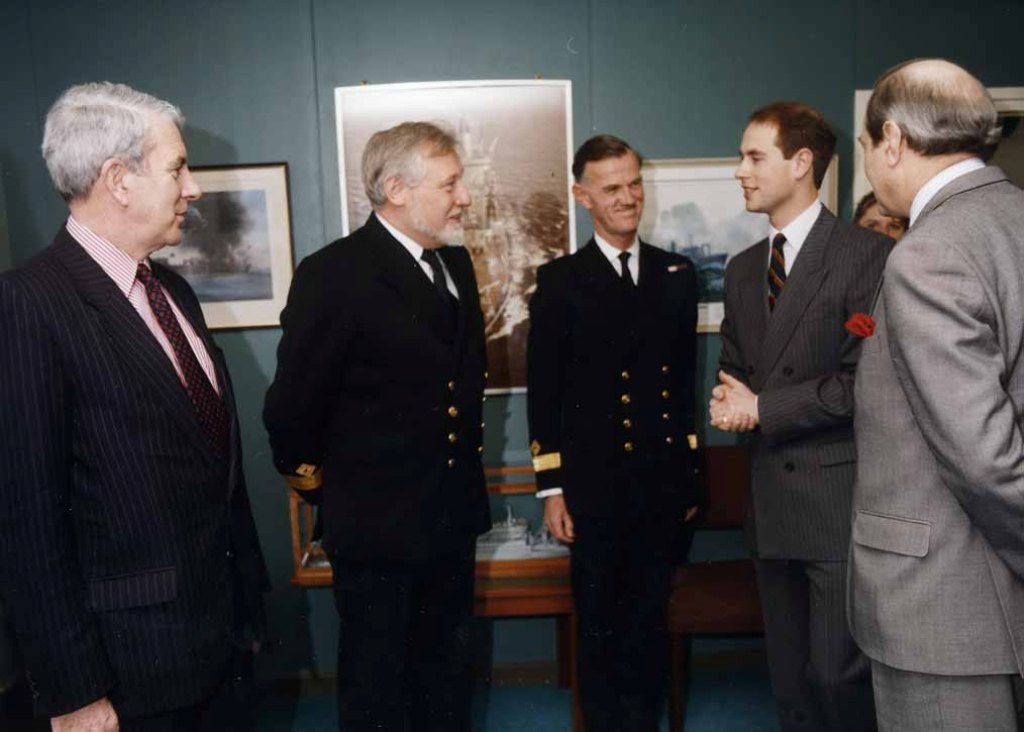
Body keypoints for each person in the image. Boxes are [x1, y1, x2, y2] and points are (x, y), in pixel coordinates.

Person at [0, 82, 268, 731]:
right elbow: (27, 522)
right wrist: (74, 694)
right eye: (178, 168)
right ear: (119, 179)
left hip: (220, 647)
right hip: (126, 680)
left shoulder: (172, 288)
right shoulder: (28, 304)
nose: (194, 187)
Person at [263, 121, 489, 731]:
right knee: (379, 691)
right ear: (396, 188)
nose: (463, 197)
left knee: (447, 680)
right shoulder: (335, 274)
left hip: (449, 519)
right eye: (450, 184)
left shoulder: (455, 265)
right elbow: (289, 408)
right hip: (376, 528)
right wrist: (325, 490)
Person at [850, 58, 1024, 731]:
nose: (869, 161)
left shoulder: (930, 251)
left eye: (865, 146)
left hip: (946, 613)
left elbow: (984, 459)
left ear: (892, 139)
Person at [711, 102, 892, 731]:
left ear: (802, 162)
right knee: (789, 688)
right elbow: (733, 371)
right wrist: (728, 403)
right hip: (770, 508)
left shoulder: (866, 256)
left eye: (754, 156)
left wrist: (760, 408)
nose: (740, 170)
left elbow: (864, 383)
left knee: (838, 682)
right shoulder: (740, 273)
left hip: (837, 505)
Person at [527, 134, 700, 731]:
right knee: (599, 631)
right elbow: (544, 395)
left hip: (659, 487)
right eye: (611, 188)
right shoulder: (558, 282)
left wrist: (689, 478)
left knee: (649, 628)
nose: (628, 198)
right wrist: (552, 490)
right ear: (583, 197)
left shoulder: (677, 275)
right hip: (593, 492)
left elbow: (683, 390)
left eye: (634, 183)